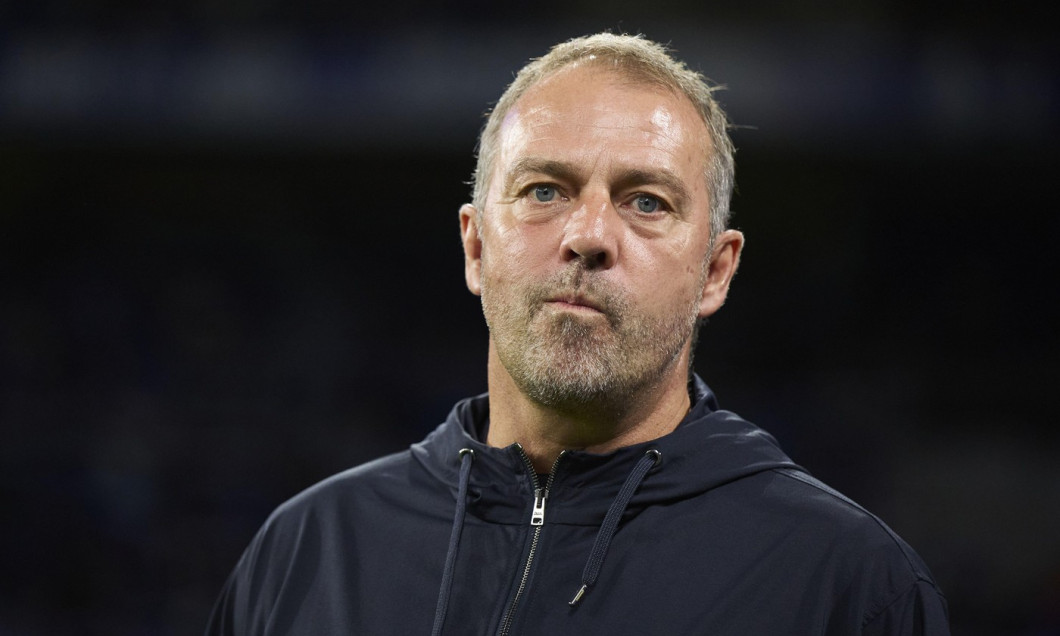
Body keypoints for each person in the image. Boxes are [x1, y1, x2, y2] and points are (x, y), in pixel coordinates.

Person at [206, 33, 950, 635]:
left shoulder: (846, 585)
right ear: (475, 247)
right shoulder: (305, 553)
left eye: (647, 201)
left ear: (715, 272)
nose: (588, 235)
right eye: (544, 191)